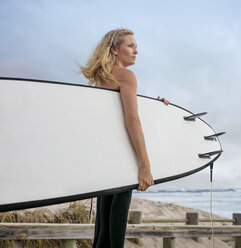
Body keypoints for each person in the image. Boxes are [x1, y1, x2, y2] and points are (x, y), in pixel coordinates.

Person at [80, 28, 168, 248]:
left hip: (104, 159)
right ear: (114, 49)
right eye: (131, 46)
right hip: (122, 158)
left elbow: (115, 116)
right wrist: (145, 166)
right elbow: (131, 121)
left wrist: (154, 107)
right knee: (115, 235)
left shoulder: (100, 78)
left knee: (103, 234)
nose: (136, 51)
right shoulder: (126, 76)